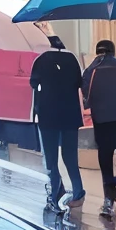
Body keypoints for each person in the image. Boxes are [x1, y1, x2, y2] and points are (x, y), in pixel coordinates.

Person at [81, 39, 116, 219]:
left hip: (102, 120)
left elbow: (85, 94)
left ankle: (108, 202)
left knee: (105, 159)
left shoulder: (91, 71)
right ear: (114, 52)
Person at [31, 36, 87, 213]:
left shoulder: (41, 60)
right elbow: (79, 83)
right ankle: (78, 192)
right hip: (70, 115)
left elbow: (33, 83)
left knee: (51, 159)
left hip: (48, 115)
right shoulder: (72, 59)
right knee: (70, 156)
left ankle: (55, 195)